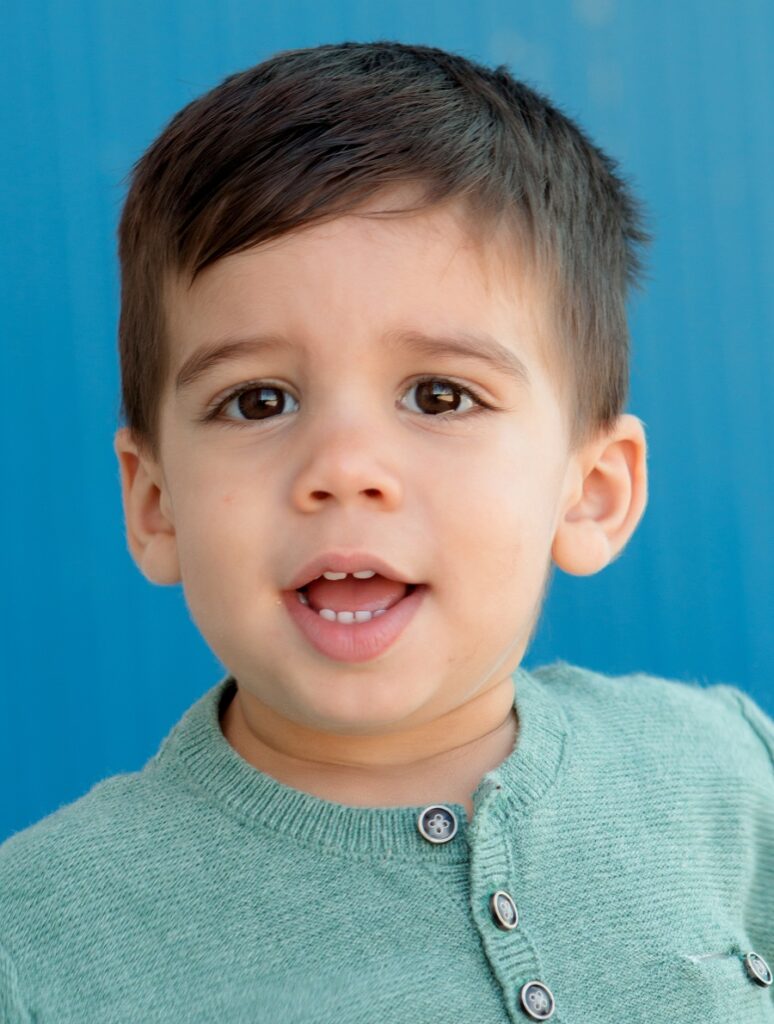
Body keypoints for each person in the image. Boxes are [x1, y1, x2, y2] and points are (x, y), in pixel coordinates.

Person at [1, 40, 772, 1023]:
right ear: (156, 505)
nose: (342, 468)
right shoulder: (35, 944)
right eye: (257, 400)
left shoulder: (725, 770)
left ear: (591, 492)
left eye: (439, 394)